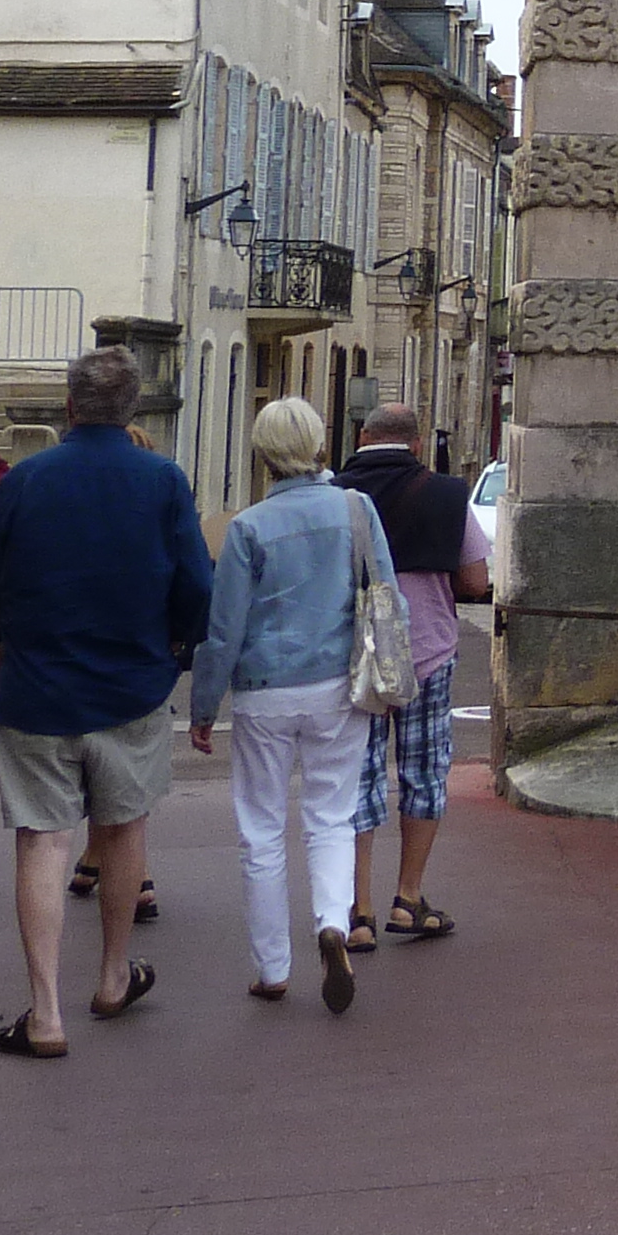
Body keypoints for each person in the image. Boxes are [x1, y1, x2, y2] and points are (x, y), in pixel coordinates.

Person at [0, 345, 208, 1056]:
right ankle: (111, 975)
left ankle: (44, 1012)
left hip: (37, 688)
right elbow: (197, 585)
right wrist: (178, 649)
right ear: (133, 409)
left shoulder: (25, 480)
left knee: (43, 840)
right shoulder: (163, 480)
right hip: (131, 686)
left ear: (69, 406)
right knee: (125, 828)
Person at [187, 396, 398, 1010]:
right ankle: (332, 921)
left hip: (265, 692)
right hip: (339, 687)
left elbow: (224, 630)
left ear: (263, 455)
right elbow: (387, 596)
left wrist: (204, 706)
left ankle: (272, 967)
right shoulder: (357, 509)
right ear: (319, 443)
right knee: (332, 817)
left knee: (261, 830)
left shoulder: (248, 528)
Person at [338, 400, 489, 948]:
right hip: (426, 652)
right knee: (423, 771)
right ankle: (407, 897)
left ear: (362, 437)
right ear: (418, 444)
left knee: (358, 777)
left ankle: (358, 910)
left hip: (353, 657)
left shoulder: (333, 495)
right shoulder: (447, 494)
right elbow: (475, 581)